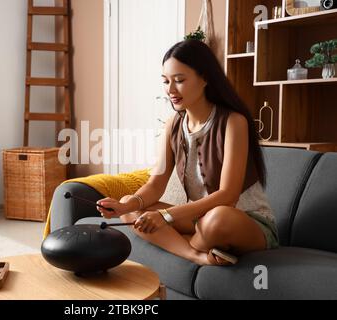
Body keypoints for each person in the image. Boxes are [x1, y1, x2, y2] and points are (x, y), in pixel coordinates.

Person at [96, 39, 279, 266]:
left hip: (243, 222)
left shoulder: (233, 122)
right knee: (134, 211)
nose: (170, 90)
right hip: (197, 219)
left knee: (216, 219)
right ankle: (197, 255)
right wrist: (126, 206)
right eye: (165, 81)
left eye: (179, 80)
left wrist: (166, 216)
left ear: (205, 78)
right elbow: (156, 184)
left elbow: (228, 196)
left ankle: (184, 243)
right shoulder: (173, 124)